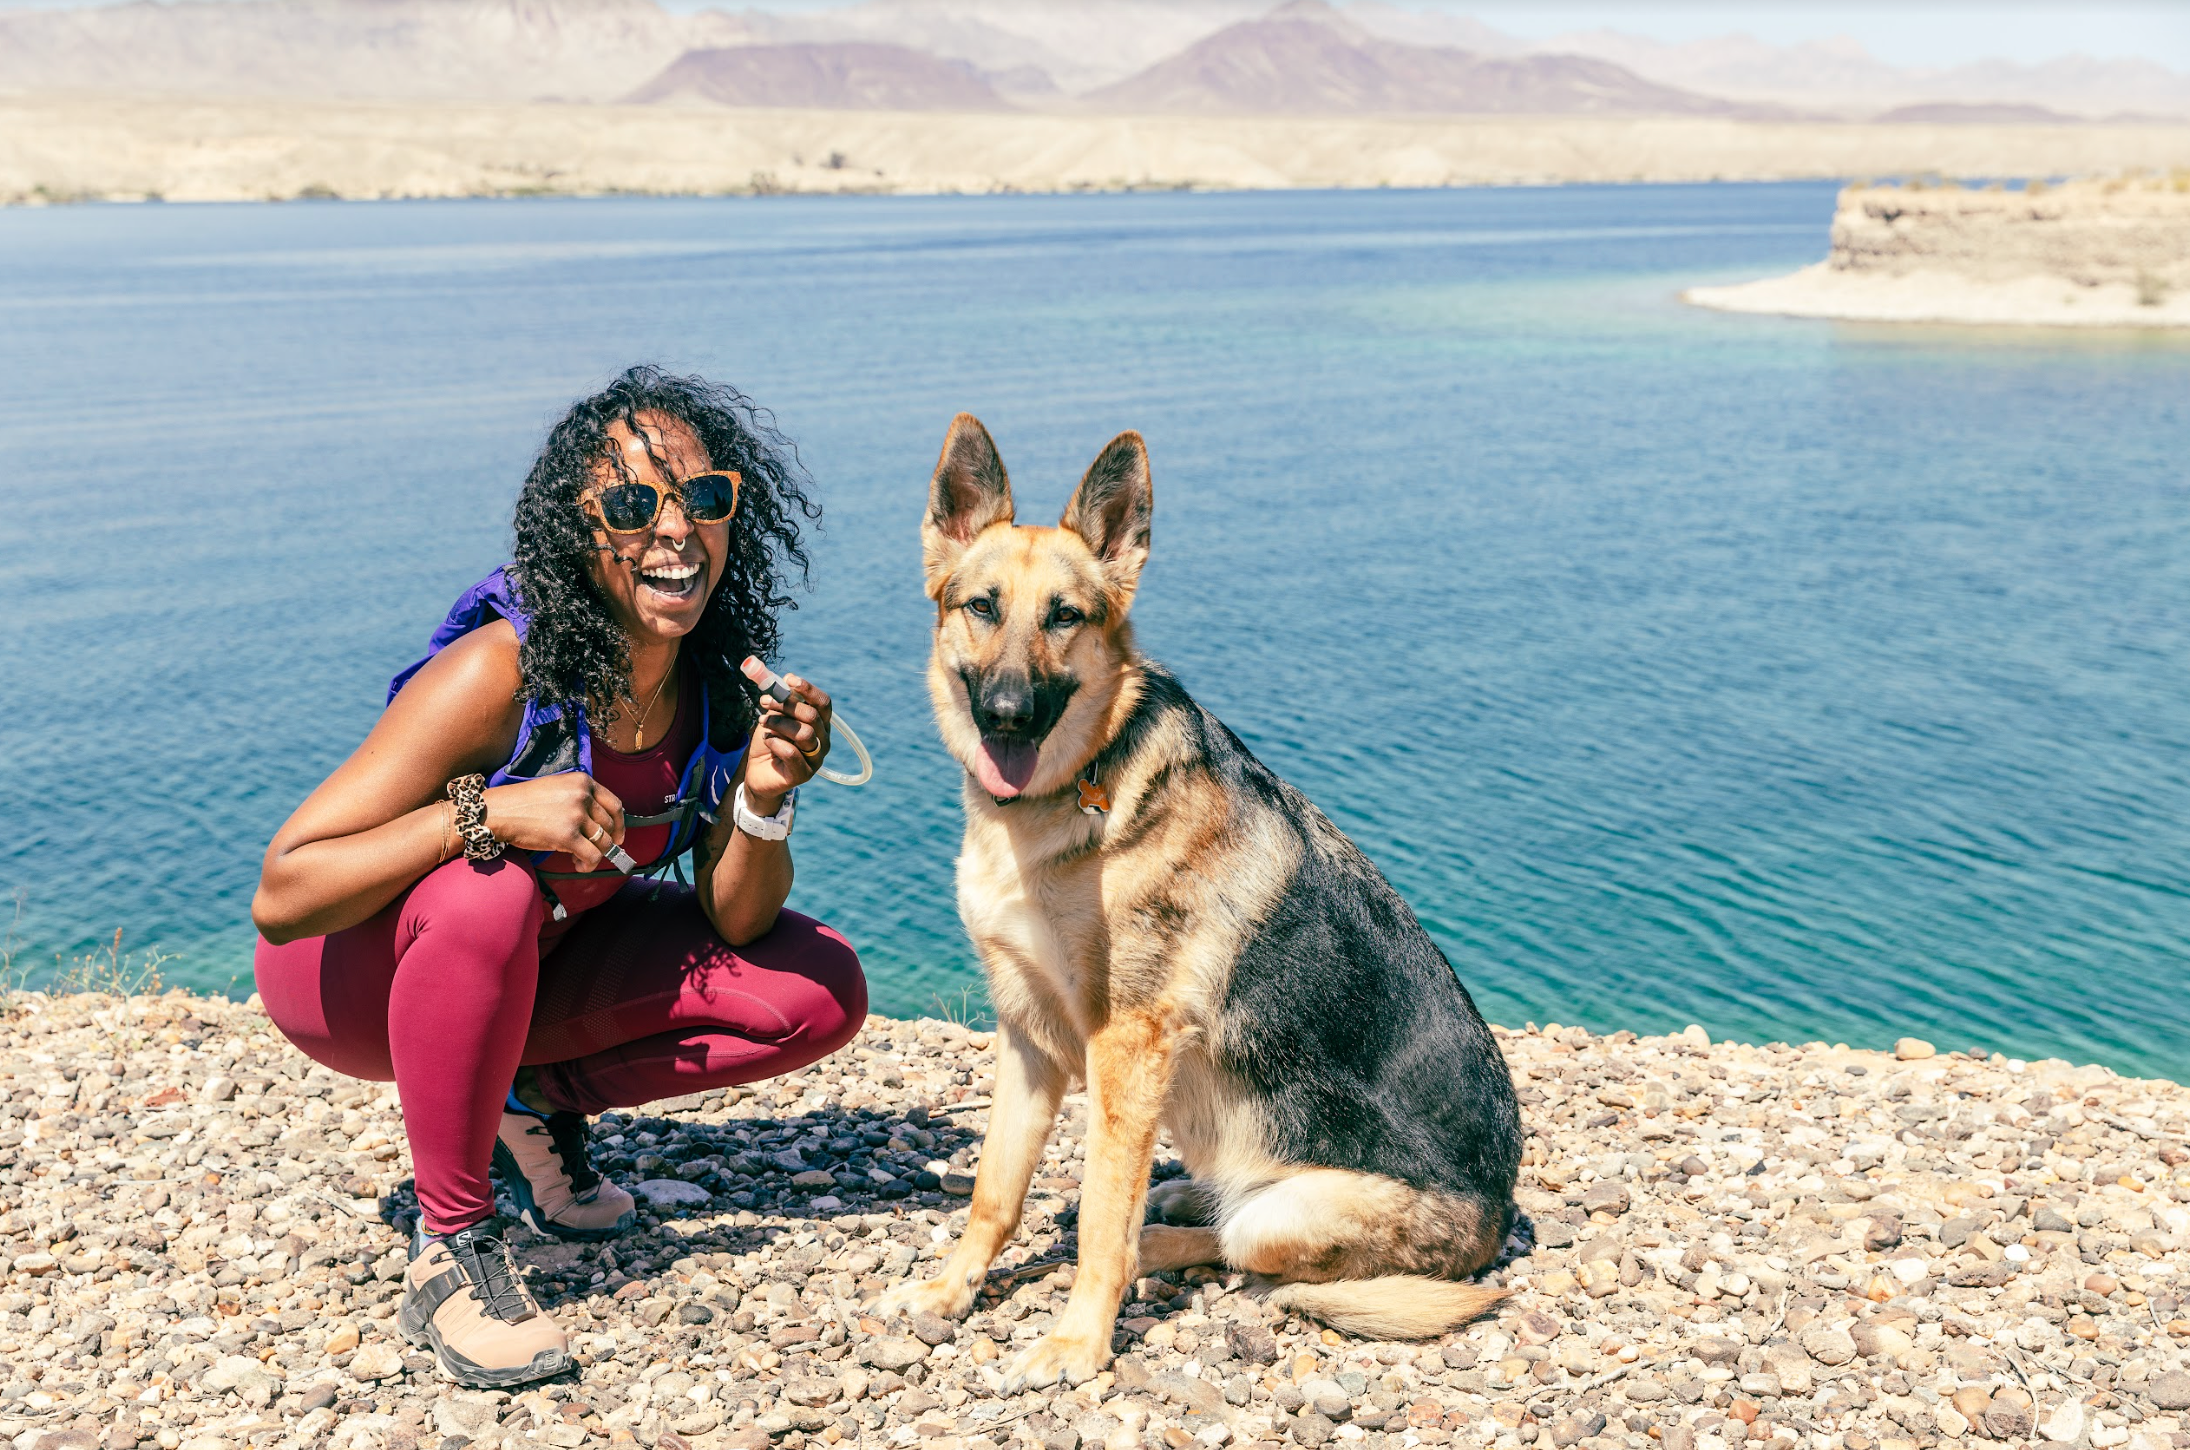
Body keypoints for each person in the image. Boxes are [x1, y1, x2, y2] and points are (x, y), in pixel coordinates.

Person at [251, 367, 865, 1388]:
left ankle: (515, 1100)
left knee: (818, 990)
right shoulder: (503, 670)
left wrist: (762, 793)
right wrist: (485, 813)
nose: (676, 530)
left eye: (703, 499)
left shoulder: (713, 684)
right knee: (490, 884)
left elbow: (737, 915)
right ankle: (450, 1246)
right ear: (578, 535)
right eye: (632, 507)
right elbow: (285, 891)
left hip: (528, 967)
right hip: (352, 978)